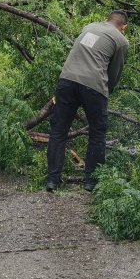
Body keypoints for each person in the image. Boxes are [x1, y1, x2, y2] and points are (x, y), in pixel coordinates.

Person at [46, 10, 129, 193]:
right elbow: (114, 73)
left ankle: (53, 180)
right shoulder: (121, 40)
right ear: (123, 27)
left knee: (59, 130)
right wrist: (108, 90)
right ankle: (91, 182)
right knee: (97, 134)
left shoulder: (89, 26)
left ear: (107, 19)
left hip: (66, 80)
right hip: (93, 86)